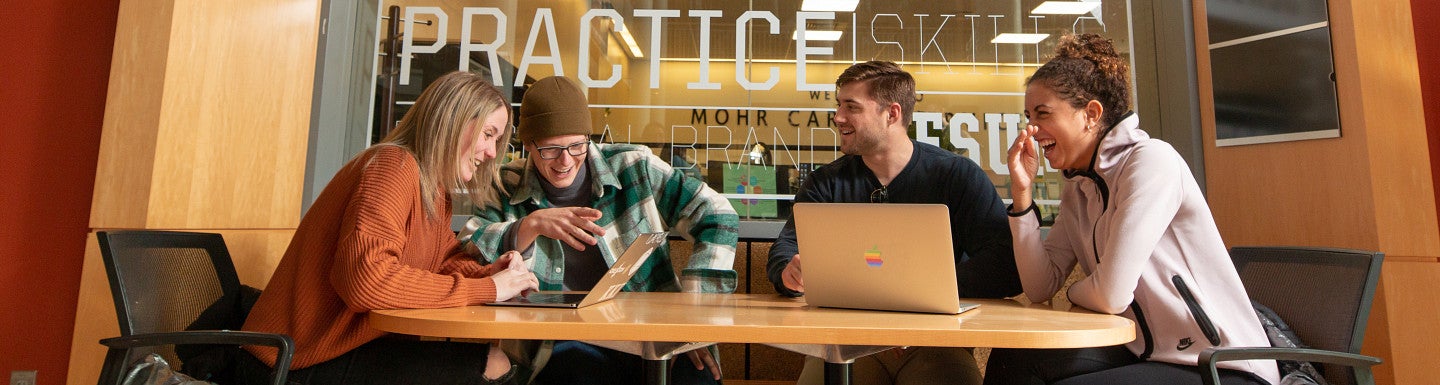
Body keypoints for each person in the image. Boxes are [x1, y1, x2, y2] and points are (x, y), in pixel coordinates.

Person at [984, 33, 1279, 385]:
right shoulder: (1079, 188)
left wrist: (1076, 291)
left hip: (1221, 364)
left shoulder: (1151, 162)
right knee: (1015, 358)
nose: (1031, 130)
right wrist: (1022, 193)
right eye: (1029, 116)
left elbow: (1111, 294)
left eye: (1043, 114)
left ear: (1091, 114)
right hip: (1147, 350)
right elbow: (1039, 286)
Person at [236, 71, 539, 385]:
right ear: (454, 120)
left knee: (490, 359)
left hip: (332, 352)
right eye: (488, 134)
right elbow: (367, 281)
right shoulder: (392, 166)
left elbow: (442, 263)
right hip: (288, 363)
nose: (491, 153)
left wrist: (491, 273)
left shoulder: (432, 189)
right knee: (494, 363)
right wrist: (489, 289)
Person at [461, 75, 739, 385]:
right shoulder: (504, 185)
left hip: (653, 336)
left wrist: (693, 319)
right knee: (574, 374)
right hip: (555, 345)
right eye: (551, 150)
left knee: (698, 378)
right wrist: (529, 225)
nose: (566, 161)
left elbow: (718, 213)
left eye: (577, 145)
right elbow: (469, 250)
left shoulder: (634, 166)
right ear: (528, 145)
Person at [766, 60, 1023, 385]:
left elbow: (1005, 264)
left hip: (934, 344)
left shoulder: (957, 176)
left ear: (892, 114)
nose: (838, 117)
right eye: (838, 105)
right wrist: (787, 270)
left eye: (851, 107)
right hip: (847, 343)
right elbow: (786, 248)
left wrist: (922, 294)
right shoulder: (825, 183)